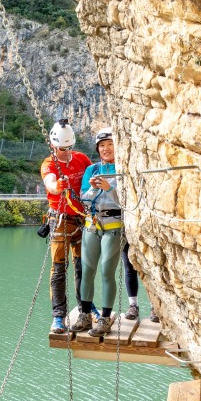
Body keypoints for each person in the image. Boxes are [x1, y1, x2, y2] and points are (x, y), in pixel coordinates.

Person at [42, 119, 93, 334]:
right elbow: (50, 184)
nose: (64, 152)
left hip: (82, 219)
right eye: (61, 149)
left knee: (83, 267)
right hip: (60, 220)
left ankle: (85, 309)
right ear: (54, 146)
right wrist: (57, 186)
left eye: (68, 148)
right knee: (58, 270)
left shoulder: (81, 159)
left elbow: (93, 174)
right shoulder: (49, 164)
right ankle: (58, 316)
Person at [77, 127, 124, 336]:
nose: (106, 149)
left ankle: (105, 318)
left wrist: (108, 188)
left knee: (106, 272)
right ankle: (85, 314)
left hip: (113, 225)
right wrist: (94, 188)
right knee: (87, 271)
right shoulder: (93, 169)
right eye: (102, 146)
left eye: (110, 145)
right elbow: (83, 198)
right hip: (92, 224)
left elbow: (127, 203)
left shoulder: (123, 169)